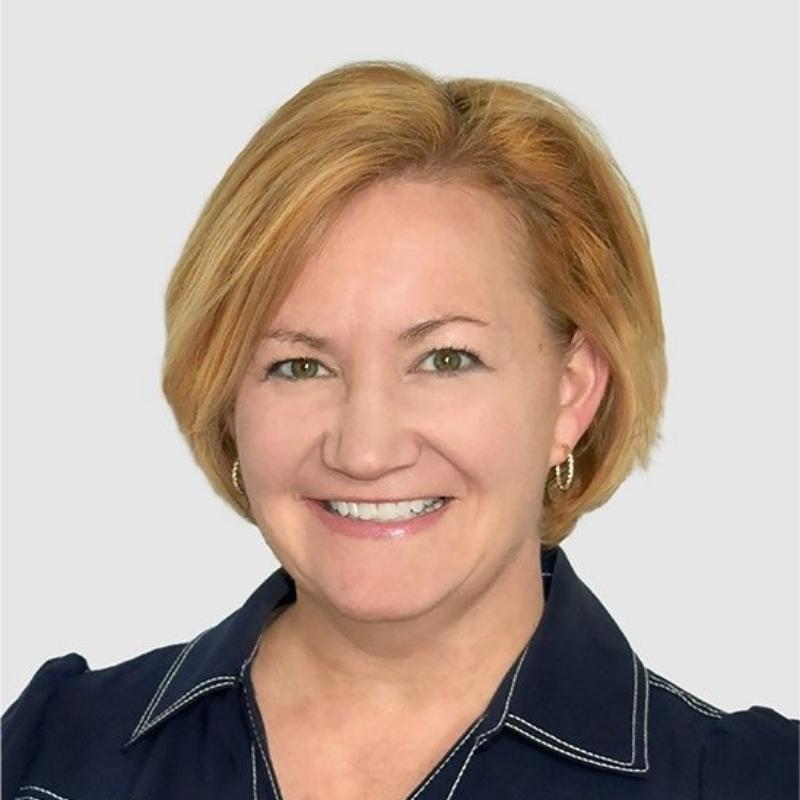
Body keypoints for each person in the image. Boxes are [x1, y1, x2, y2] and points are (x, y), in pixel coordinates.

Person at [2, 59, 797, 800]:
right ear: (227, 399)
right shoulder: (50, 756)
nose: (365, 450)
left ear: (571, 392)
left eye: (445, 359)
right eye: (299, 366)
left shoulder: (751, 781)